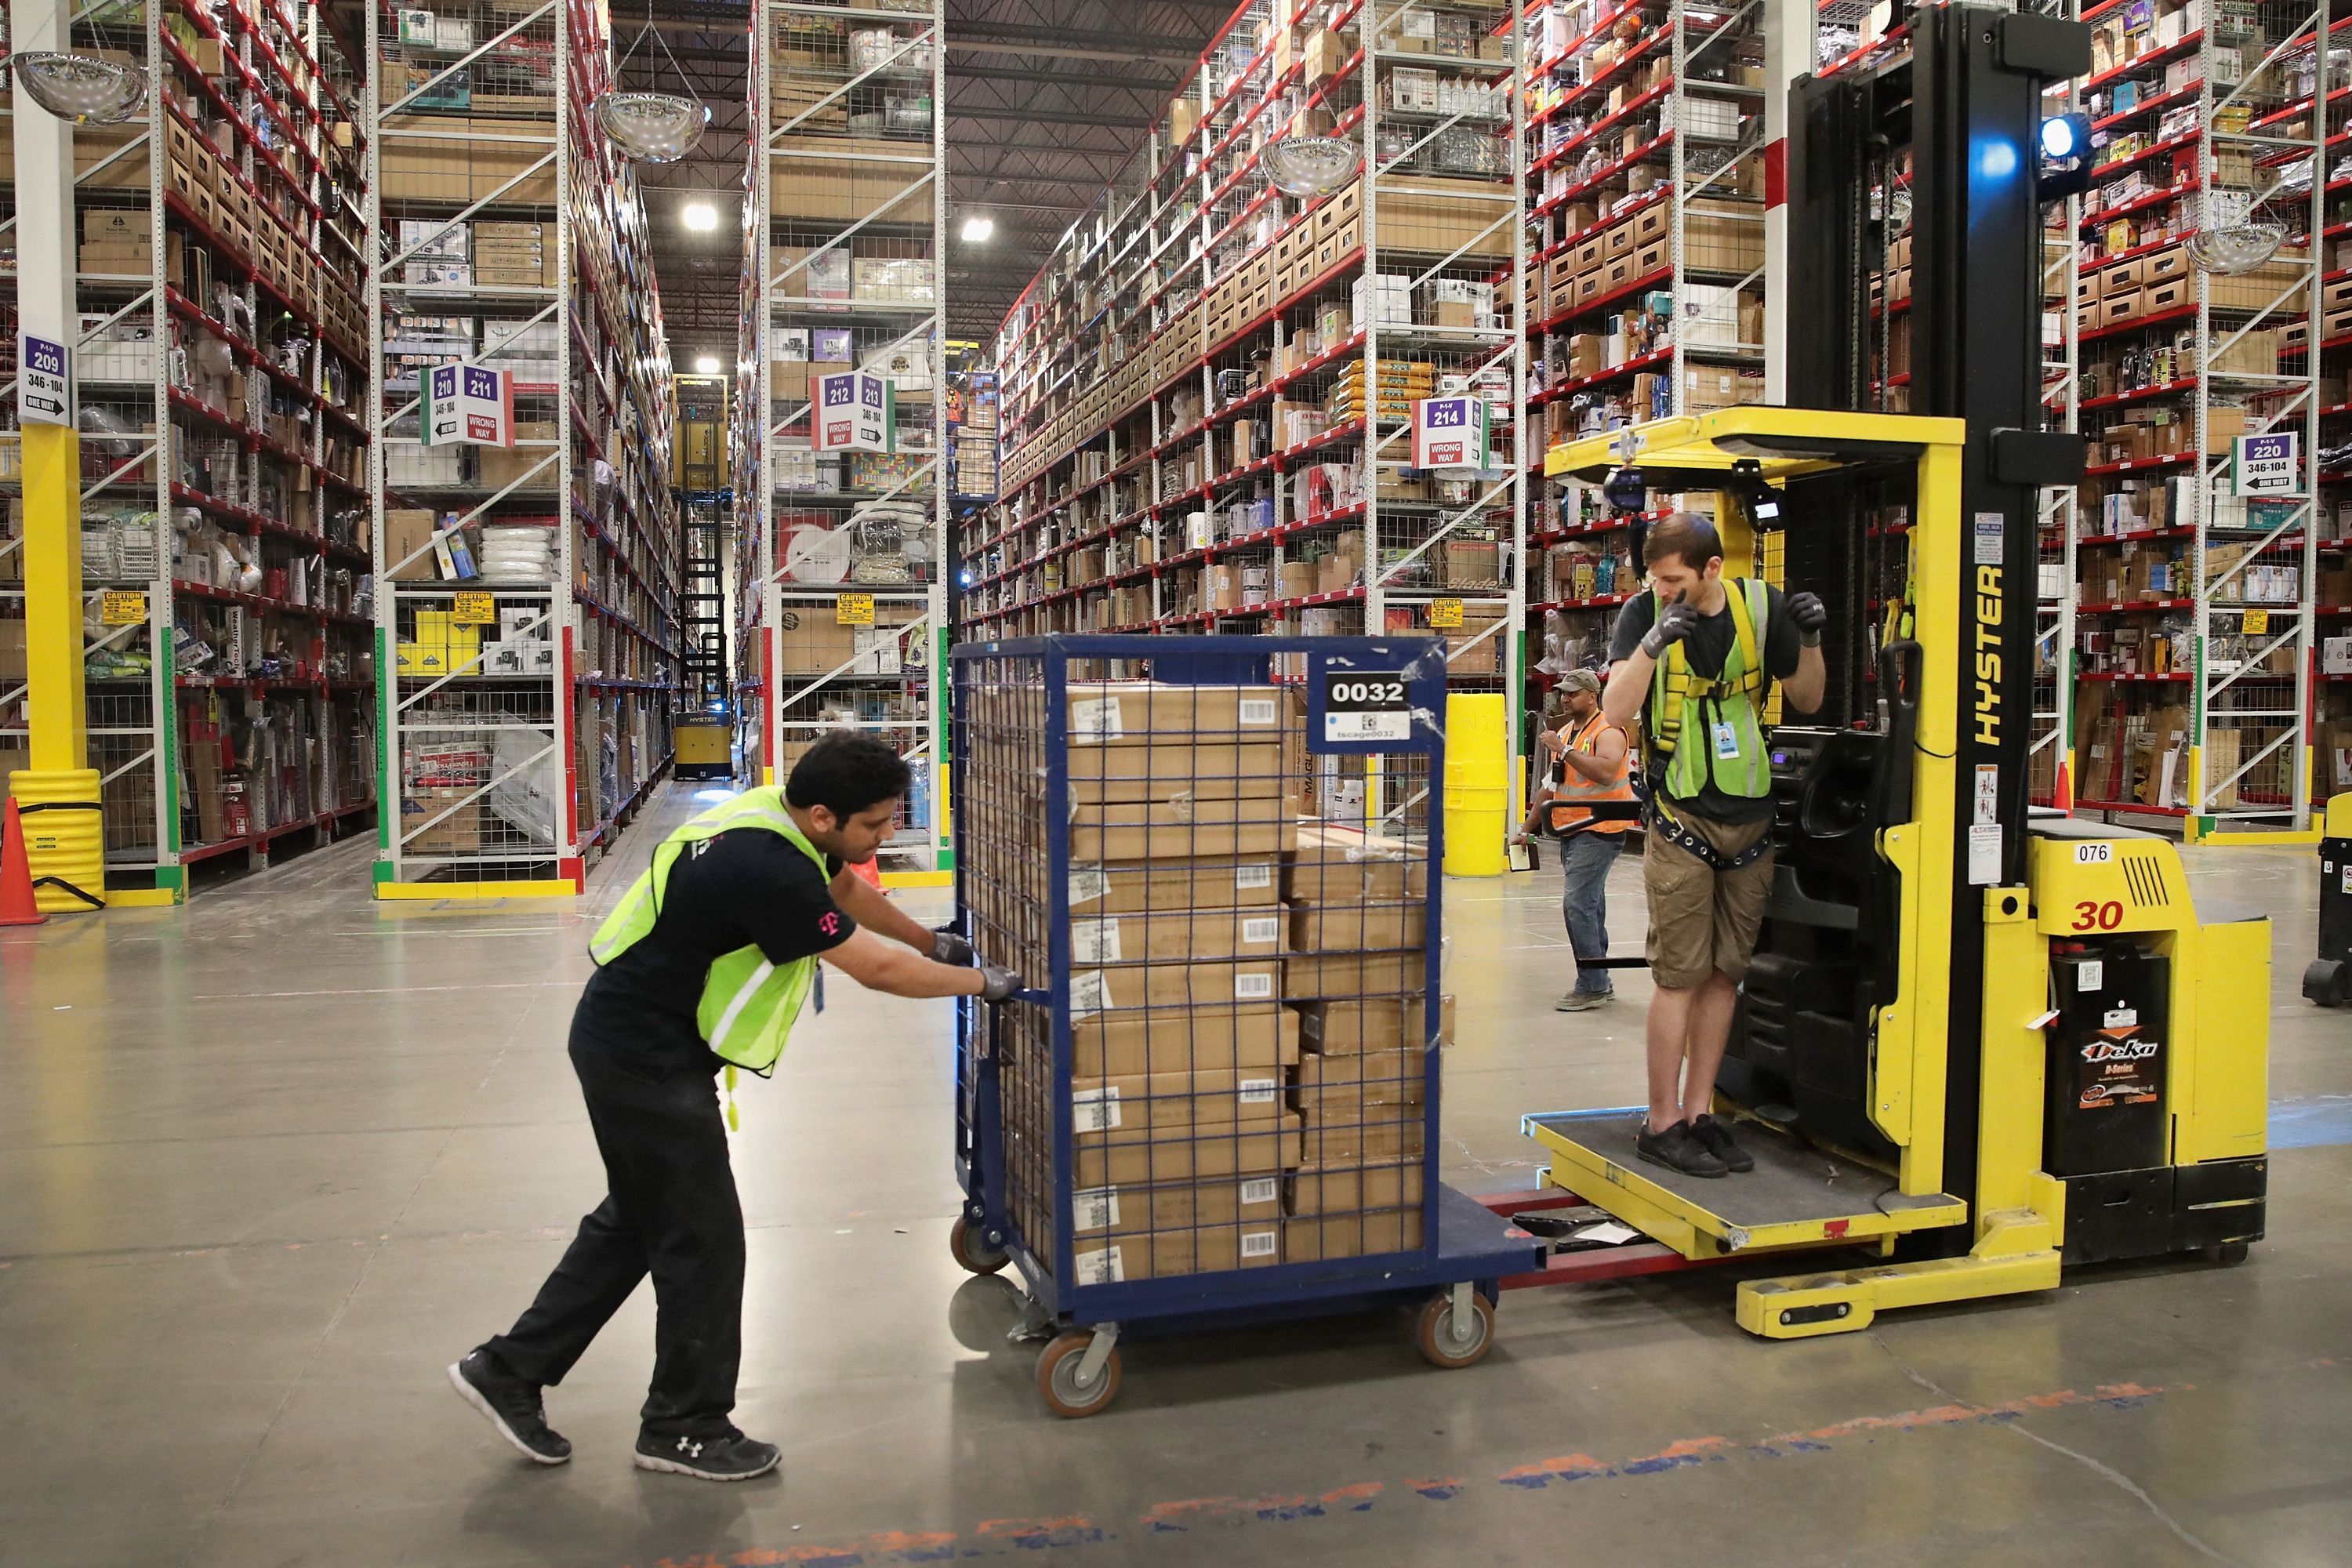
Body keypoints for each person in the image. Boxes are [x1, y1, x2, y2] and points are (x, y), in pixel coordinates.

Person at [448, 732, 1019, 1481]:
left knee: (640, 1221)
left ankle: (508, 1369)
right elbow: (873, 972)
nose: (884, 837)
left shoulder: (775, 818)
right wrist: (983, 985)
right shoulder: (767, 869)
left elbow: (843, 888)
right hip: (641, 1058)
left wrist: (931, 941)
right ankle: (684, 1425)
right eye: (876, 825)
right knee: (706, 1241)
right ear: (823, 815)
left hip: (644, 1041)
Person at [1602, 513, 1825, 1179]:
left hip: (1751, 819)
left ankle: (1701, 1113)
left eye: (1675, 579)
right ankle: (1662, 1121)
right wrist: (1650, 643)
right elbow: (1614, 711)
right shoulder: (1642, 613)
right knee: (1678, 975)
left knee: (1725, 974)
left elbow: (1808, 700)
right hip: (1681, 820)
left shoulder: (1763, 608)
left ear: (1712, 569)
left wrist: (1809, 640)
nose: (1664, 590)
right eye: (1657, 579)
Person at [1512, 669, 1634, 1011]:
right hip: (1571, 831)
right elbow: (1550, 787)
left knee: (1577, 905)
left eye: (1572, 693)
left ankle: (1593, 985)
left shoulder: (1608, 731)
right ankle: (1599, 979)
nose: (1565, 699)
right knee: (1590, 905)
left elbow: (1606, 771)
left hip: (1601, 829)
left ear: (1592, 695)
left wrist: (1563, 749)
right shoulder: (1567, 731)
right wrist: (1527, 828)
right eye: (1563, 693)